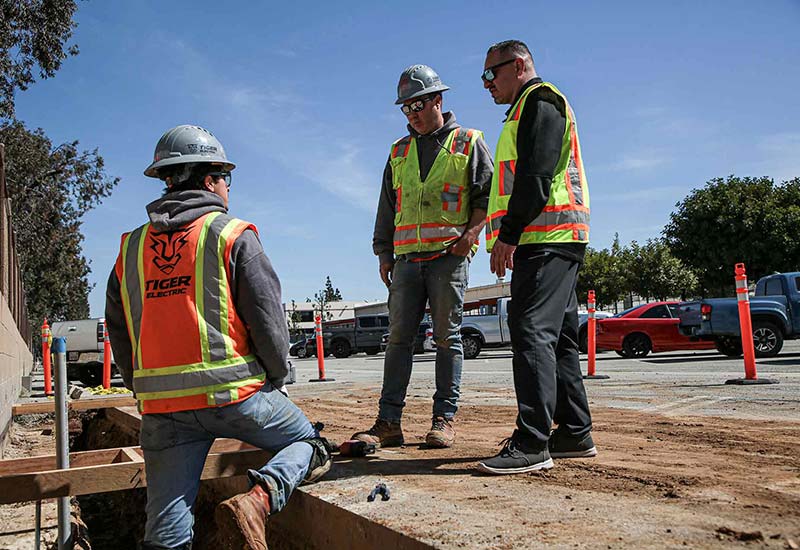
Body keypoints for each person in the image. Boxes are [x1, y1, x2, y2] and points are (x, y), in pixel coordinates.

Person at [105, 124, 332, 549]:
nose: (228, 186)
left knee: (166, 528)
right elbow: (268, 321)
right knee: (307, 440)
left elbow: (120, 333)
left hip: (163, 411)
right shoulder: (232, 235)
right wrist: (277, 377)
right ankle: (259, 500)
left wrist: (143, 388)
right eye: (226, 177)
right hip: (236, 400)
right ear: (210, 180)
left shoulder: (130, 248)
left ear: (167, 181)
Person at [352, 65, 493, 449]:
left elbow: (488, 197)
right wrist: (384, 253)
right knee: (397, 340)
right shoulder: (398, 152)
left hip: (448, 257)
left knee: (447, 339)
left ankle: (444, 419)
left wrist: (471, 236)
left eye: (417, 104)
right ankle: (388, 422)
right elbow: (386, 206)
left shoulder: (467, 142)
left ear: (438, 100)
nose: (412, 113)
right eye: (405, 107)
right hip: (406, 261)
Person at [476, 41, 596, 475]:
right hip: (555, 236)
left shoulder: (540, 101)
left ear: (520, 65)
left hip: (545, 237)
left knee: (530, 331)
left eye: (492, 73)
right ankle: (575, 433)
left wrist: (508, 235)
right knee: (560, 337)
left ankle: (532, 441)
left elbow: (536, 177)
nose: (487, 83)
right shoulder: (526, 108)